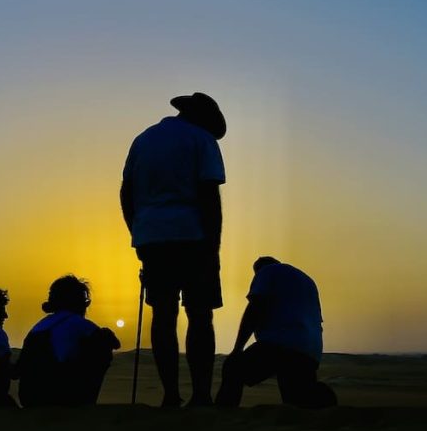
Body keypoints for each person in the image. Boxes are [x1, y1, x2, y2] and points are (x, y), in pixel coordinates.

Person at [120, 92, 226, 407]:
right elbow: (209, 196)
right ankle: (201, 395)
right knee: (200, 314)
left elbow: (126, 193)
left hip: (153, 239)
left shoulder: (143, 140)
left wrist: (137, 232)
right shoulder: (202, 140)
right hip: (193, 237)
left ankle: (170, 395)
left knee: (163, 315)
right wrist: (214, 245)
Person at [215, 257, 337, 409]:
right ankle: (323, 400)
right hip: (310, 350)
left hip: (279, 344)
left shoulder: (267, 272)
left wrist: (237, 348)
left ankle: (222, 415)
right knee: (297, 399)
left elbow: (255, 308)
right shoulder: (307, 281)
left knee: (234, 368)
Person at [16, 275, 120, 407]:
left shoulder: (39, 326)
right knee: (102, 345)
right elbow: (115, 344)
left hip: (28, 396)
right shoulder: (80, 324)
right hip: (58, 396)